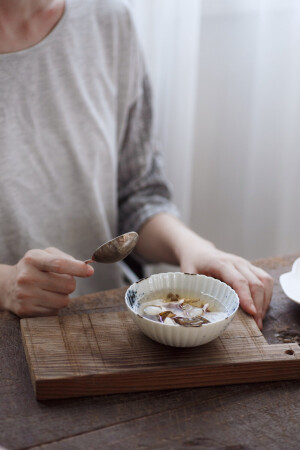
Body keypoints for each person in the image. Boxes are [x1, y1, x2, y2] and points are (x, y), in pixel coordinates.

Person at [0, 0, 273, 329]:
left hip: (109, 319)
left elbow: (137, 192)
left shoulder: (108, 20)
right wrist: (6, 284)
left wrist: (197, 249)